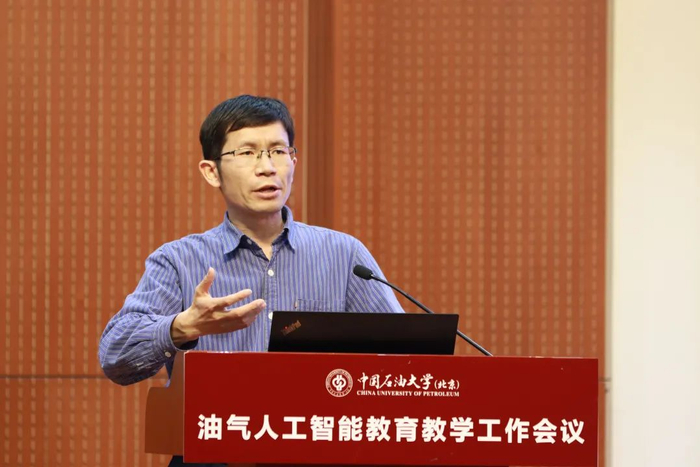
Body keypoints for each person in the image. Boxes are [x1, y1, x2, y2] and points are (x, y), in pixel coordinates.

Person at [98, 95, 403, 387]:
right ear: (212, 172)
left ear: (293, 162)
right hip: (221, 423)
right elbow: (115, 357)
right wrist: (184, 326)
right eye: (246, 153)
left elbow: (405, 356)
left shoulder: (344, 256)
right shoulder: (178, 261)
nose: (267, 167)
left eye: (278, 151)